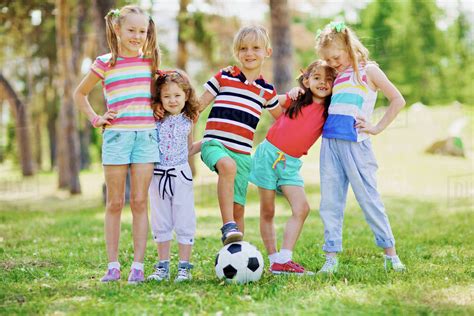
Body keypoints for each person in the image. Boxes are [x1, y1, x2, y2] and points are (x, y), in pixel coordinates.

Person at [73, 5, 160, 284]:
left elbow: (164, 94)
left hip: (146, 137)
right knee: (114, 202)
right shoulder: (104, 62)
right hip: (117, 137)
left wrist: (159, 109)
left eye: (142, 31)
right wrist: (96, 118)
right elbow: (80, 93)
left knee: (138, 201)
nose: (137, 36)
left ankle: (137, 266)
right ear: (117, 29)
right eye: (131, 30)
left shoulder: (151, 62)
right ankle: (112, 266)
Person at [314, 21, 406, 273]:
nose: (332, 63)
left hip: (356, 145)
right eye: (328, 60)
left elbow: (398, 100)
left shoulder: (369, 71)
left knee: (368, 199)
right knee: (330, 202)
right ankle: (331, 257)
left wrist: (376, 127)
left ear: (348, 46)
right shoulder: (336, 75)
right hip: (330, 144)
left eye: (336, 57)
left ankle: (391, 255)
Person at [249, 60, 336, 275]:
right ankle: (274, 260)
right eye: (317, 78)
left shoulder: (329, 110)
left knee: (302, 208)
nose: (322, 83)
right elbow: (270, 102)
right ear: (306, 80)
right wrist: (292, 92)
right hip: (268, 155)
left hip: (290, 164)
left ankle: (285, 258)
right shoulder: (297, 99)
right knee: (268, 210)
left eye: (328, 80)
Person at [198, 25, 282, 245]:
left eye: (256, 48)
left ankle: (236, 254)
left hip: (243, 154)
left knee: (238, 209)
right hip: (215, 145)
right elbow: (198, 105)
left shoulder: (267, 91)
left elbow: (282, 120)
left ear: (267, 52)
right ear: (237, 52)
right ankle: (227, 225)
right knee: (227, 167)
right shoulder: (225, 76)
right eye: (243, 48)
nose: (249, 53)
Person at [146, 70, 201, 283]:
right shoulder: (155, 119)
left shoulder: (190, 118)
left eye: (177, 95)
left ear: (186, 95)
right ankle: (162, 267)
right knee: (161, 220)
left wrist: (208, 143)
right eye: (167, 96)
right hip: (158, 175)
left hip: (180, 175)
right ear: (160, 98)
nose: (172, 100)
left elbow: (188, 148)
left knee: (184, 218)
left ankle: (184, 268)